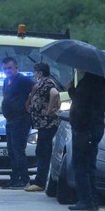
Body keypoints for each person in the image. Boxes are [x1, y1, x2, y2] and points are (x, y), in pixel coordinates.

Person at [67, 72, 105, 211]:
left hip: (84, 130)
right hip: (95, 129)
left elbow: (81, 105)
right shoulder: (103, 83)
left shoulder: (88, 84)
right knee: (89, 166)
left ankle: (85, 200)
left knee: (81, 166)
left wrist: (71, 90)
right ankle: (92, 199)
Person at [25, 62, 60, 192]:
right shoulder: (41, 84)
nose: (34, 74)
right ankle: (40, 180)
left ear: (40, 73)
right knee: (41, 151)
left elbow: (55, 94)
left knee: (43, 152)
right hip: (43, 124)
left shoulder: (48, 83)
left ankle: (40, 182)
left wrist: (49, 109)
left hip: (48, 124)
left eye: (35, 72)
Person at [1, 56, 35, 189]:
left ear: (16, 67)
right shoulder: (6, 81)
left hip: (21, 119)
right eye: (5, 69)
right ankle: (14, 178)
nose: (7, 71)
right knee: (11, 151)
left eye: (9, 68)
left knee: (18, 150)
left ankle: (24, 179)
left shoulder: (22, 79)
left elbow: (35, 87)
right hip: (10, 120)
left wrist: (28, 102)